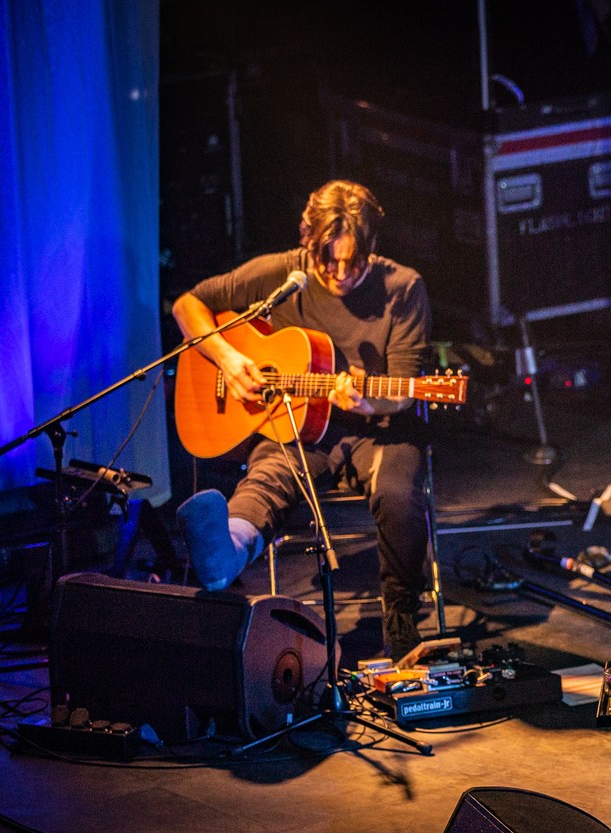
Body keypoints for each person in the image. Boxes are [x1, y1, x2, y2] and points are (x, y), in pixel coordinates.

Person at [172, 179, 433, 660]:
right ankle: (222, 555)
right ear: (308, 244)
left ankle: (400, 621)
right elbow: (187, 305)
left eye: (352, 262)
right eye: (325, 260)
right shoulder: (285, 274)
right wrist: (229, 360)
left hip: (379, 430)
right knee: (266, 480)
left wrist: (365, 402)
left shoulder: (403, 288)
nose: (337, 274)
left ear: (372, 247)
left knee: (398, 495)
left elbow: (403, 389)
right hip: (296, 426)